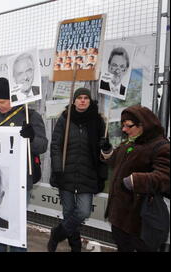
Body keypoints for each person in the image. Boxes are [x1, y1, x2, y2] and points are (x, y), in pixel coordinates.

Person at [0, 77, 48, 252]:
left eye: (3, 101)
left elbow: (42, 145)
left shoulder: (31, 116)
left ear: (13, 97)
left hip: (21, 179)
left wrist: (31, 138)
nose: (0, 106)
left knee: (15, 224)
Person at [101, 105, 169, 252]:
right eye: (123, 126)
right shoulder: (129, 142)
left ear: (143, 125)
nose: (124, 130)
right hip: (120, 215)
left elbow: (165, 177)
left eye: (128, 126)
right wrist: (107, 150)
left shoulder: (161, 146)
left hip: (140, 218)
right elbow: (115, 161)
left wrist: (135, 180)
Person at [48, 88, 108, 252]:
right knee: (68, 213)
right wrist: (58, 169)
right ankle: (76, 247)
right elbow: (55, 145)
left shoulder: (98, 120)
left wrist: (106, 147)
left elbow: (106, 154)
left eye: (86, 98)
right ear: (73, 101)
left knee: (82, 212)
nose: (82, 100)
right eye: (79, 98)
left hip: (88, 175)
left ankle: (57, 233)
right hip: (65, 174)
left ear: (90, 101)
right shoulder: (65, 118)